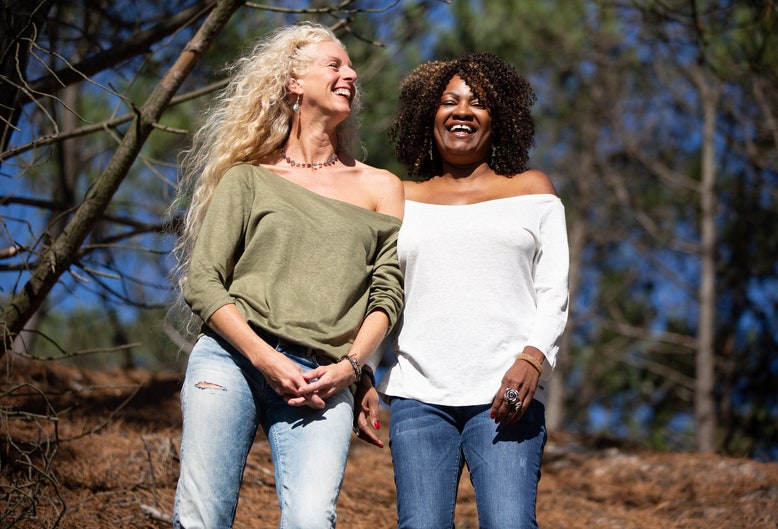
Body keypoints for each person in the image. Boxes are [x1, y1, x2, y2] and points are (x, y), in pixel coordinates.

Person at [169, 22, 404, 529]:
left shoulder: (380, 186)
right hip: (232, 357)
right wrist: (266, 358)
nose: (351, 73)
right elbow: (204, 283)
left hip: (324, 376)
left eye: (350, 65)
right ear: (294, 83)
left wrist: (354, 367)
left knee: (312, 519)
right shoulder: (249, 177)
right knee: (202, 515)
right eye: (334, 64)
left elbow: (386, 294)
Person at [356, 53, 569, 529]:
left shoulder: (532, 190)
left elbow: (554, 289)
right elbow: (377, 292)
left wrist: (532, 359)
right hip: (418, 396)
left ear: (501, 118)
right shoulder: (399, 197)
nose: (463, 111)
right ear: (428, 115)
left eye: (479, 103)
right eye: (449, 101)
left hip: (507, 393)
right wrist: (363, 373)